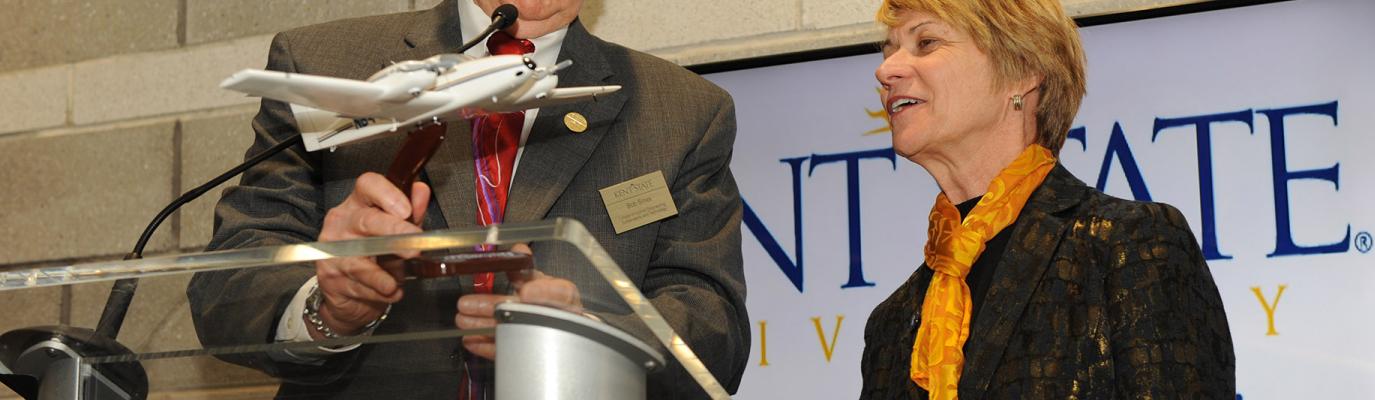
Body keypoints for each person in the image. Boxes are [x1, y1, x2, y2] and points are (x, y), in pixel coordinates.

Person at [186, 0, 750, 398]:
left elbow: (713, 329)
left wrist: (589, 336)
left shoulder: (682, 111)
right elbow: (226, 285)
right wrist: (326, 304)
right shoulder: (325, 63)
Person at [858, 0, 1235, 398]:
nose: (885, 71)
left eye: (926, 42)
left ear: (1021, 71)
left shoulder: (1130, 245)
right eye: (888, 51)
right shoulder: (893, 323)